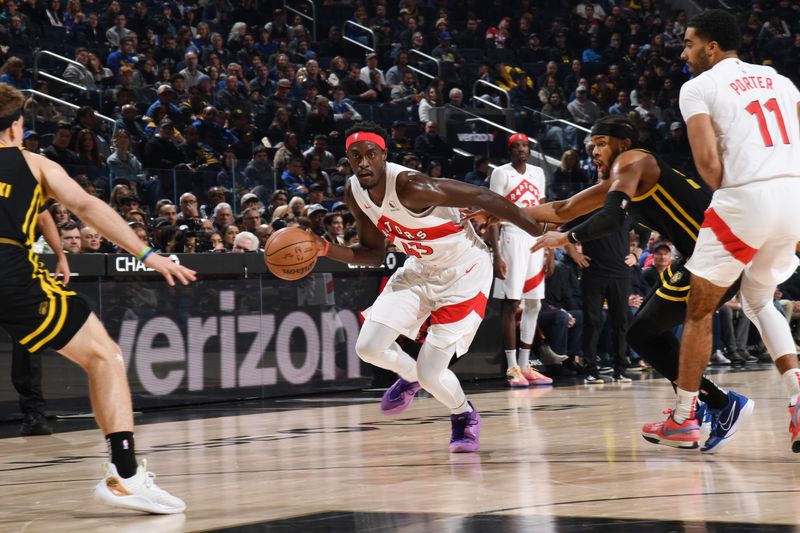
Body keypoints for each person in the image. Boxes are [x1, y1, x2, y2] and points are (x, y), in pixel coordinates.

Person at [469, 115, 752, 452]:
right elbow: (562, 208)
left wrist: (568, 238)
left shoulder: (635, 161)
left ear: (624, 145)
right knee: (644, 332)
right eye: (592, 145)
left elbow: (611, 217)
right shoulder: (625, 178)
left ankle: (705, 409)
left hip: (714, 257)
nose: (594, 151)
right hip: (705, 257)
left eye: (602, 143)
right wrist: (498, 213)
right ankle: (713, 403)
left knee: (643, 333)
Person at [0, 83, 195, 512]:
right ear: (15, 128)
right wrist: (147, 253)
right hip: (9, 273)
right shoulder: (33, 164)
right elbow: (88, 208)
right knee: (104, 356)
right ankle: (124, 475)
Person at [309, 121, 541, 453]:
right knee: (369, 347)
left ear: (384, 155)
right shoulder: (354, 191)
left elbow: (483, 196)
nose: (363, 163)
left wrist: (534, 227)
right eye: (355, 156)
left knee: (434, 373)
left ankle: (464, 416)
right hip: (421, 268)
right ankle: (411, 376)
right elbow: (373, 255)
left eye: (370, 155)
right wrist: (324, 249)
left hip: (465, 272)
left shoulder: (411, 186)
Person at [645, 10, 800, 451]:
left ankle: (684, 417)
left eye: (689, 43)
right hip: (795, 195)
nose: (684, 52)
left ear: (711, 47)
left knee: (699, 310)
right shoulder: (782, 81)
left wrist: (737, 203)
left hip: (747, 198)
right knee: (757, 298)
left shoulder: (698, 87)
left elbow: (709, 166)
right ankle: (799, 396)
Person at [487, 134, 563, 388]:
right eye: (517, 146)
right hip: (510, 239)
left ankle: (526, 363)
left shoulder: (538, 173)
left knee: (534, 303)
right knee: (511, 304)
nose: (522, 149)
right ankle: (511, 368)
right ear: (510, 150)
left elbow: (544, 212)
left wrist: (549, 246)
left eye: (525, 145)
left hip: (534, 240)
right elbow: (492, 214)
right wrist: (496, 254)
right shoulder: (500, 173)